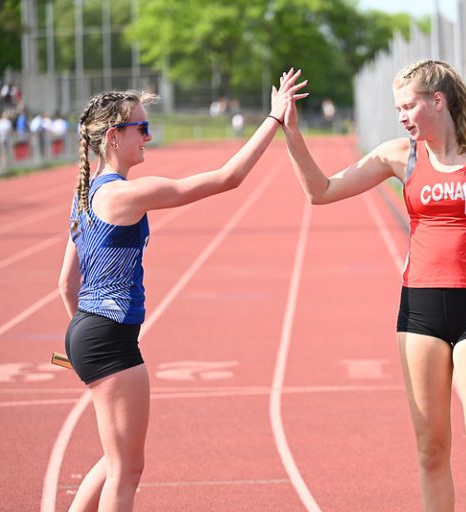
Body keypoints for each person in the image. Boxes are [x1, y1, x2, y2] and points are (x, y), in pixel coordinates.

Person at [280, 60, 466, 512]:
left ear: (437, 101)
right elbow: (321, 190)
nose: (401, 116)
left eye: (407, 106)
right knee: (431, 450)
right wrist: (292, 132)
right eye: (397, 108)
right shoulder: (400, 155)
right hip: (419, 311)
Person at [57, 69, 307, 511]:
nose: (148, 137)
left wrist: (86, 336)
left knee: (116, 461)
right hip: (107, 338)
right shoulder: (121, 195)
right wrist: (273, 119)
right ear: (115, 136)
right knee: (126, 471)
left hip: (90, 333)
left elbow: (65, 284)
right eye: (142, 127)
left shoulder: (85, 196)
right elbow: (228, 178)